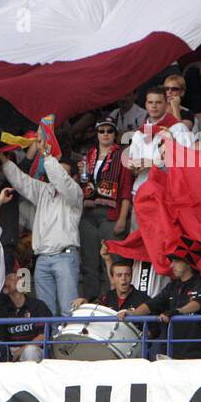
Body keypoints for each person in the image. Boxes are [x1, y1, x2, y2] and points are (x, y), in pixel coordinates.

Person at [0, 144, 81, 316]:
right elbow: (21, 181)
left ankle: (68, 344)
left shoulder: (75, 194)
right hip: (42, 259)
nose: (56, 177)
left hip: (64, 257)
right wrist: (3, 160)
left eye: (63, 173)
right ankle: (48, 344)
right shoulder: (44, 190)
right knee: (44, 313)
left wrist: (47, 157)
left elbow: (62, 181)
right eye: (55, 172)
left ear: (74, 177)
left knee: (68, 310)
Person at [120, 249, 201, 358]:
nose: (171, 265)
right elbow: (152, 304)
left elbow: (198, 303)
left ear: (188, 263)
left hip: (199, 351)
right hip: (171, 350)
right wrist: (133, 314)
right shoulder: (172, 286)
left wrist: (177, 312)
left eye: (176, 261)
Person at [77, 118, 132, 300]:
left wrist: (122, 219)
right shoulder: (88, 156)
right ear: (97, 133)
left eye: (109, 131)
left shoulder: (122, 155)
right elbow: (82, 186)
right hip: (88, 214)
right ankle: (91, 300)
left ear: (115, 134)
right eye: (102, 131)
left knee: (113, 260)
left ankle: (114, 301)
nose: (106, 134)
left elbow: (125, 191)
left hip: (111, 215)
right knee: (89, 261)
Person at [0, 269, 51, 362]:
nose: (16, 278)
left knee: (30, 350)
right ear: (5, 290)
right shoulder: (2, 310)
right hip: (11, 350)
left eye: (18, 277)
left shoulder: (37, 305)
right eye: (10, 278)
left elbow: (42, 336)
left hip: (36, 350)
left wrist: (21, 350)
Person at [73, 257, 144, 311]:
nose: (123, 278)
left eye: (127, 275)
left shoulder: (143, 300)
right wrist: (84, 303)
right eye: (119, 275)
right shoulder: (105, 297)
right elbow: (92, 310)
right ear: (112, 278)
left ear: (131, 277)